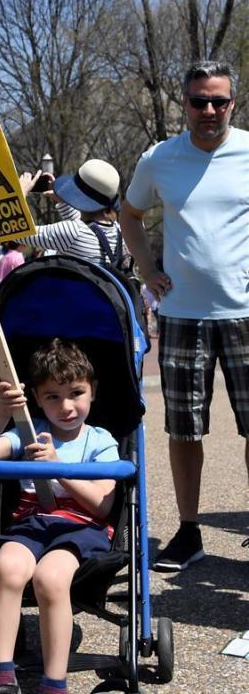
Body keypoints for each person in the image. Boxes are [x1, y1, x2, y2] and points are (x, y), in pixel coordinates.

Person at [120, 60, 249, 571]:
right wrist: (148, 269)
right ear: (185, 103)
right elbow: (130, 214)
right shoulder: (159, 159)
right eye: (199, 101)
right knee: (184, 429)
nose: (209, 110)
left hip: (245, 313)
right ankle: (189, 530)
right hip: (182, 316)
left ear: (233, 103)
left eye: (218, 100)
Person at [0, 339, 118, 694]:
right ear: (36, 398)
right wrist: (3, 412)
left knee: (51, 579)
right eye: (52, 396)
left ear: (92, 391)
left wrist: (58, 468)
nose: (66, 406)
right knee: (7, 566)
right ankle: (2, 685)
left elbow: (104, 505)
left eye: (75, 393)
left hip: (81, 528)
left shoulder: (99, 440)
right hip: (33, 523)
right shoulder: (28, 431)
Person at [19, 160, 127, 264]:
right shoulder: (118, 231)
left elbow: (20, 233)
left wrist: (20, 194)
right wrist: (63, 201)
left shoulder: (73, 232)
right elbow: (84, 229)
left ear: (79, 195)